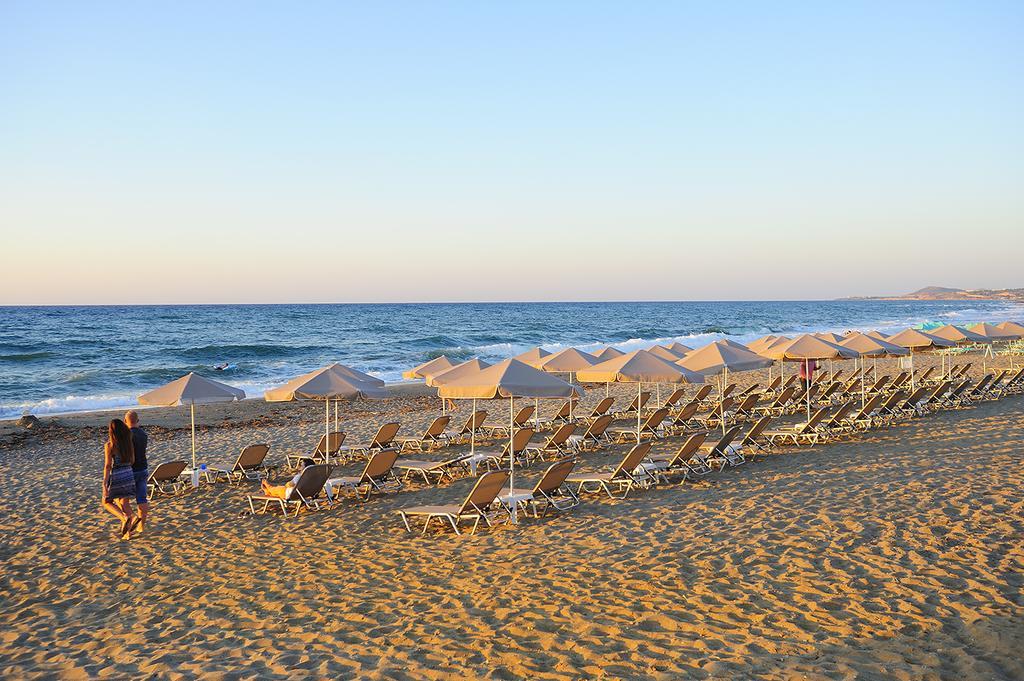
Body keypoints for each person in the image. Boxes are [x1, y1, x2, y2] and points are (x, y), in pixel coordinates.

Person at [101, 418, 139, 539]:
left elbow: (107, 466)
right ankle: (128, 530)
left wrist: (104, 484)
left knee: (106, 501)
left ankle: (125, 518)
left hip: (118, 474)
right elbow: (132, 460)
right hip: (129, 473)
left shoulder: (110, 445)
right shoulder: (129, 443)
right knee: (124, 503)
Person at [124, 410, 149, 534]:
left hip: (131, 470)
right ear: (138, 421)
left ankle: (128, 524)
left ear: (125, 421)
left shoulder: (127, 435)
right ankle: (141, 526)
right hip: (143, 468)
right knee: (142, 499)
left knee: (124, 501)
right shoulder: (143, 434)